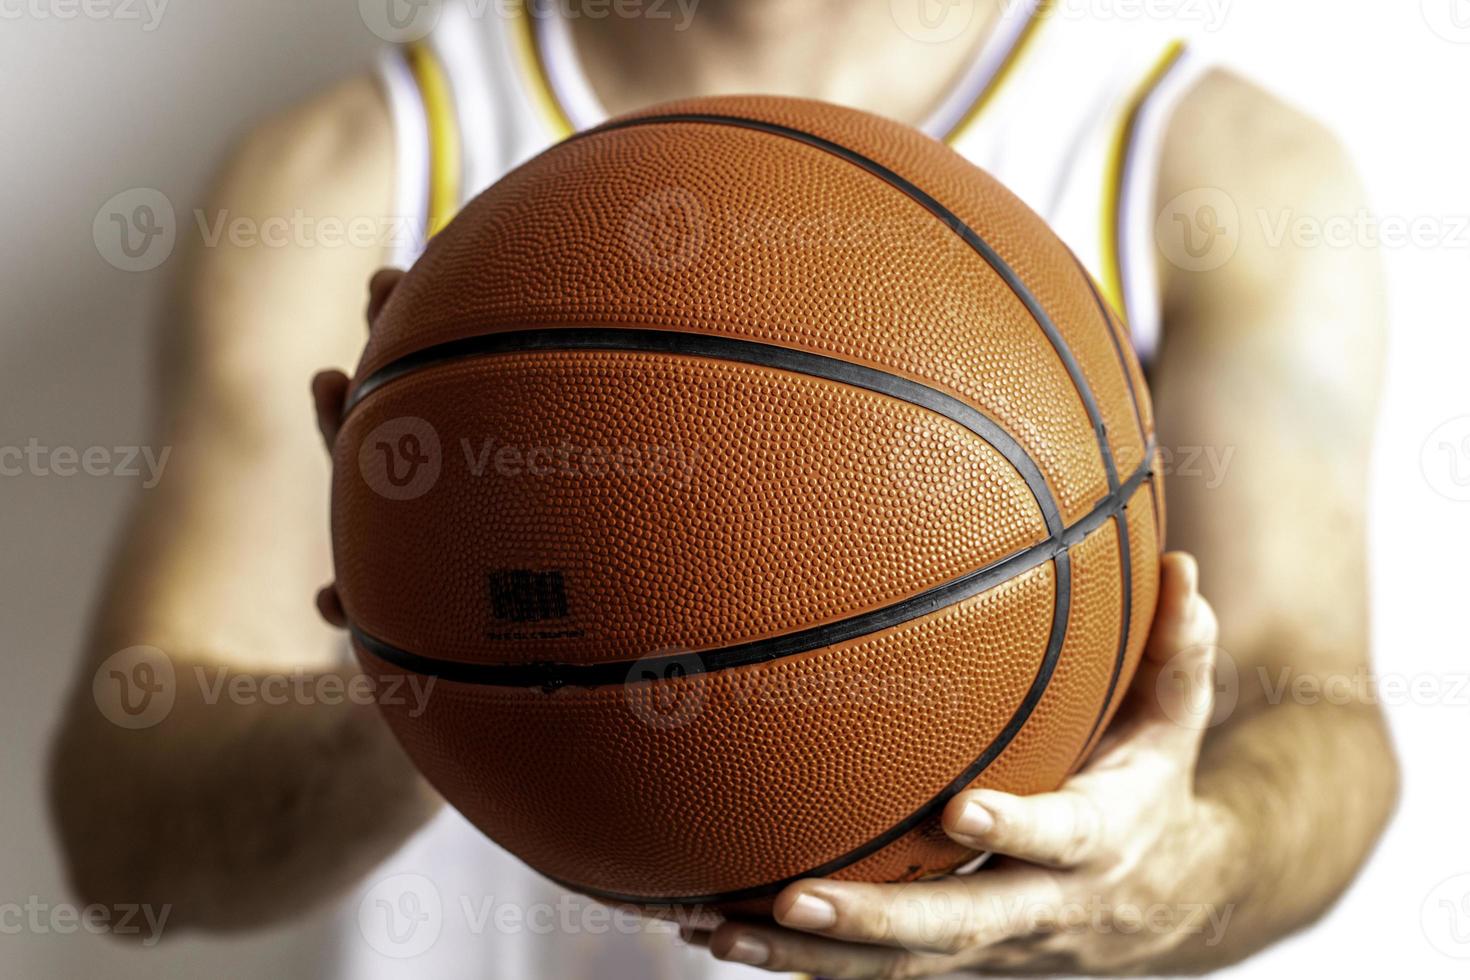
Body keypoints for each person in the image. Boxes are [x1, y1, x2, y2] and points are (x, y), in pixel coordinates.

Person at [50, 1, 1397, 976]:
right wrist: (439, 678)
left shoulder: (1213, 170)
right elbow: (127, 848)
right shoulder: (342, 174)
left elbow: (1317, 720)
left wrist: (1170, 873)